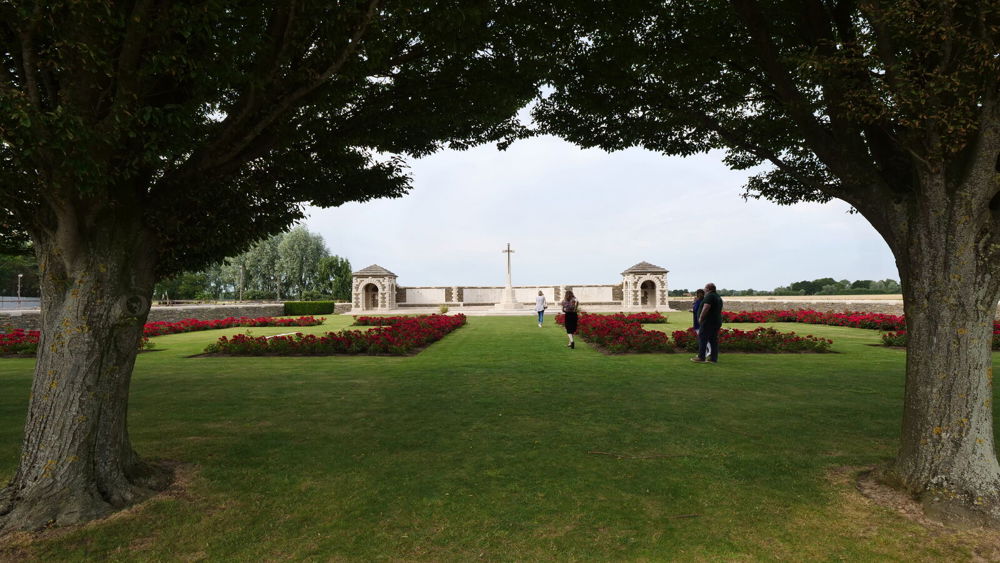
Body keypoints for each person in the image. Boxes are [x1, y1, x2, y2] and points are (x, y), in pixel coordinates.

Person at [692, 282, 723, 363]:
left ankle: (701, 357)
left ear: (708, 289)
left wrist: (701, 318)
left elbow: (706, 307)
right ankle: (713, 359)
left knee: (702, 338)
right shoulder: (718, 296)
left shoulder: (709, 296)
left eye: (705, 288)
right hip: (716, 321)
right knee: (713, 340)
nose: (704, 289)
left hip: (708, 322)